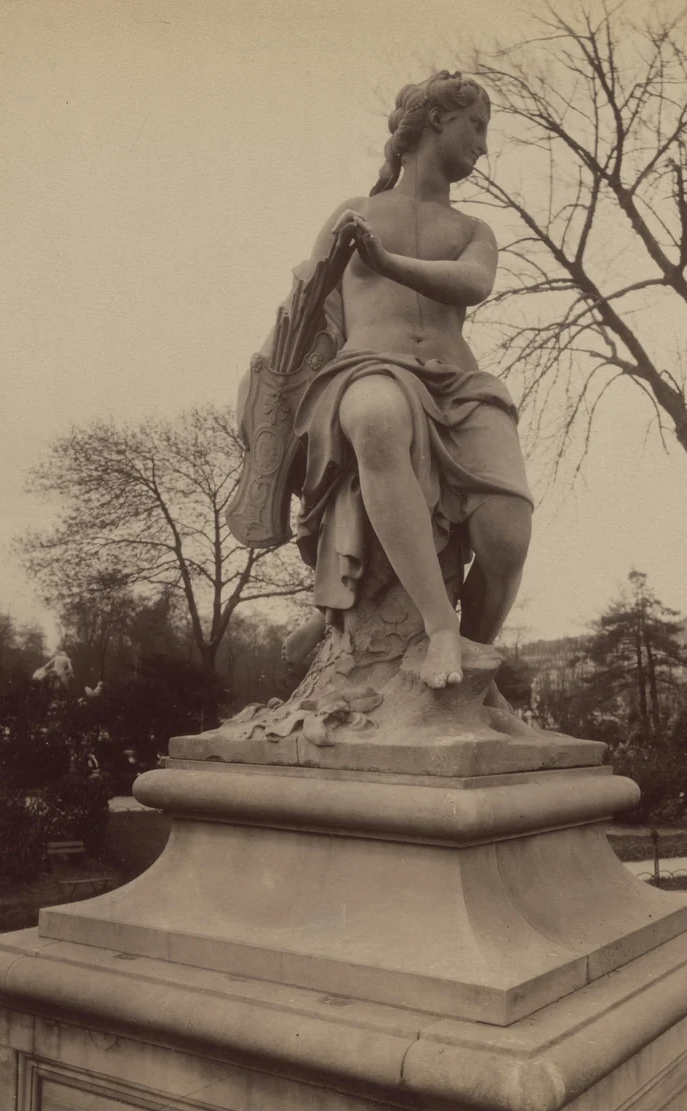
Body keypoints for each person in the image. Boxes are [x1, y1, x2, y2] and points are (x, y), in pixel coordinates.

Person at [284, 71, 533, 690]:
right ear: (438, 121)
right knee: (375, 418)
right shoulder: (356, 212)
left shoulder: (475, 231)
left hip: (459, 383)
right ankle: (437, 629)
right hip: (368, 371)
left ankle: (472, 663)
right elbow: (303, 316)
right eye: (476, 125)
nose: (483, 143)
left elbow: (475, 284)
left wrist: (386, 262)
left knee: (508, 529)